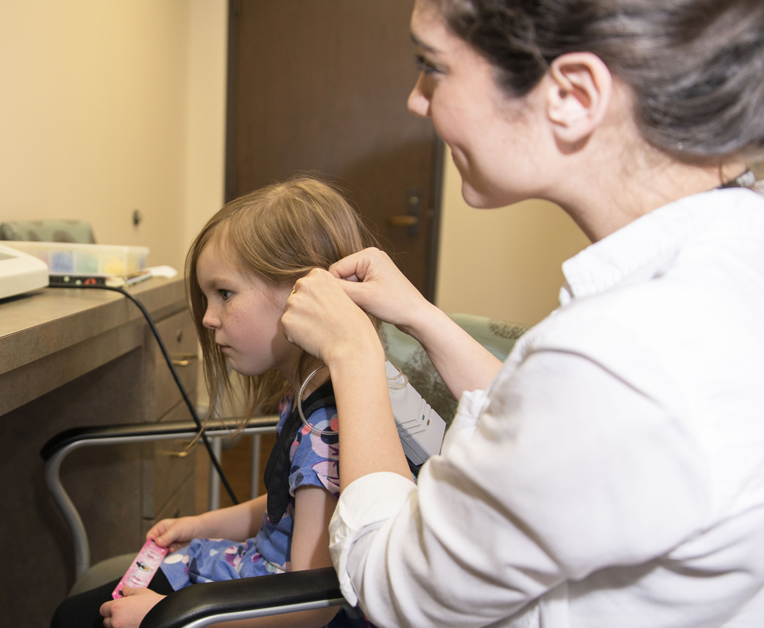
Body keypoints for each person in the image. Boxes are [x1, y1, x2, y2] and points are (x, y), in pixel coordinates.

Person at [280, 0, 764, 626]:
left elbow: (394, 582)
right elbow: (549, 431)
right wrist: (421, 317)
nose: (416, 99)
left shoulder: (621, 353)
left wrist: (354, 355)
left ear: (572, 93)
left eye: (434, 67)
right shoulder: (727, 260)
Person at [51, 178, 395, 628]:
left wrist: (169, 616)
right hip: (248, 574)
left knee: (74, 619)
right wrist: (202, 524)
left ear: (302, 293)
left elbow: (312, 606)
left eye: (225, 294)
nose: (210, 319)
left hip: (263, 609)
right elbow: (284, 511)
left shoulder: (326, 426)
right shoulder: (306, 394)